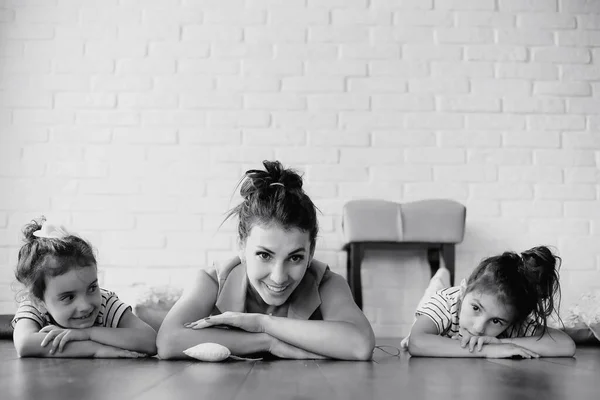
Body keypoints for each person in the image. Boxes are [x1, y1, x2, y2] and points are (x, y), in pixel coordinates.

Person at [157, 160, 375, 360]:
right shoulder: (211, 281)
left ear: (312, 251)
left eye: (295, 257)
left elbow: (360, 344)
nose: (279, 277)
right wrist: (268, 342)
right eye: (264, 255)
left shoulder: (327, 283)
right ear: (242, 246)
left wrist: (262, 323)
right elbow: (168, 341)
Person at [12, 217, 157, 358]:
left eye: (92, 288)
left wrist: (88, 333)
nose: (85, 306)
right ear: (39, 301)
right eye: (68, 297)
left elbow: (150, 341)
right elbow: (25, 344)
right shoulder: (33, 307)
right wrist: (95, 349)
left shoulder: (106, 304)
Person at [407, 246, 576, 358]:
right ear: (464, 291)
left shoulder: (511, 319)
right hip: (441, 303)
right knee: (432, 295)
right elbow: (416, 341)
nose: (479, 328)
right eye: (475, 308)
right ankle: (439, 278)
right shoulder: (446, 303)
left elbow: (566, 345)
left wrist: (501, 343)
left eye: (496, 321)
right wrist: (488, 350)